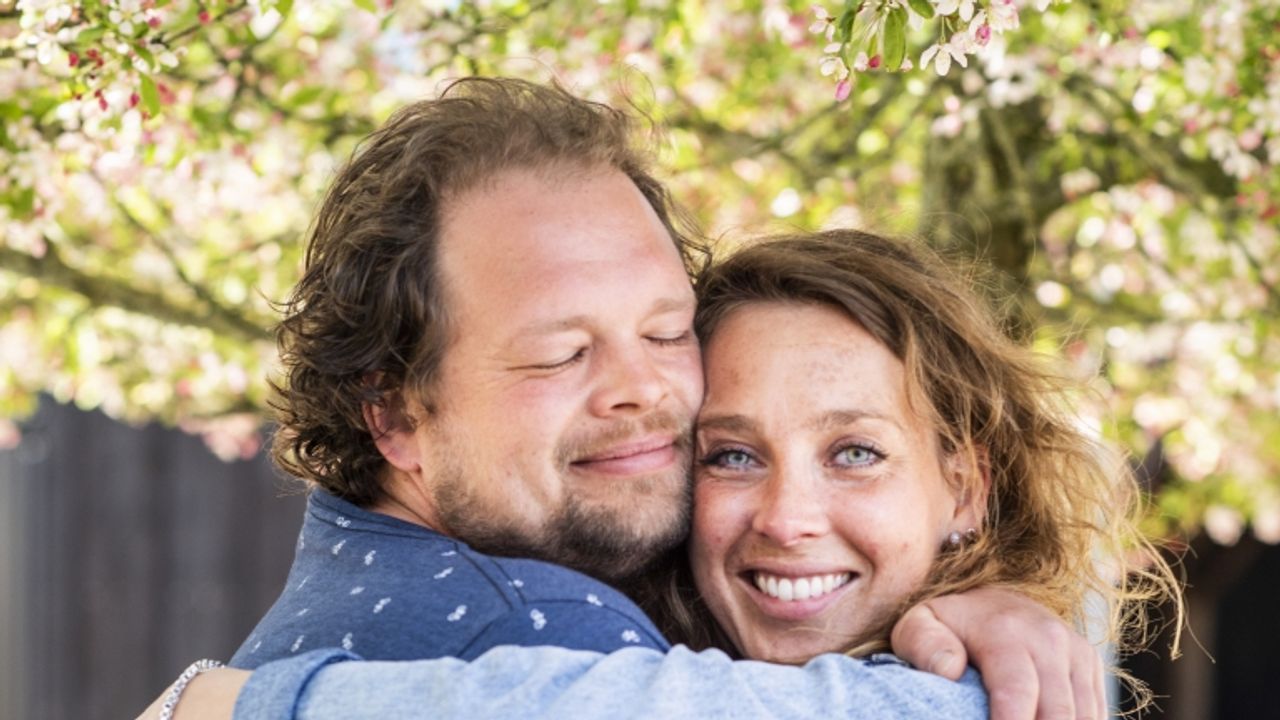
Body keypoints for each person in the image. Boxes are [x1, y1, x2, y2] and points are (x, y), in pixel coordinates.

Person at [141, 78, 1116, 719]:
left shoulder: (360, 565)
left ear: (965, 487)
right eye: (560, 353)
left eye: (661, 332)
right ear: (393, 415)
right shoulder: (534, 633)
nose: (644, 390)